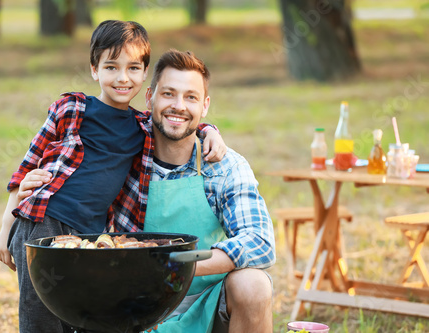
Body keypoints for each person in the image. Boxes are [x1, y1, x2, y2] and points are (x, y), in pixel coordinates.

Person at [19, 49, 275, 332]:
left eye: (191, 97)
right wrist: (30, 192)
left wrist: (178, 266)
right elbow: (66, 178)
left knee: (253, 285)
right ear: (149, 97)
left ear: (204, 106)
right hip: (133, 304)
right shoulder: (122, 152)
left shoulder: (224, 165)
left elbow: (259, 242)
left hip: (206, 303)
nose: (178, 106)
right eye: (168, 94)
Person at [0, 21, 225, 333]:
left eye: (132, 68)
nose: (122, 77)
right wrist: (5, 227)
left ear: (145, 74)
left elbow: (178, 120)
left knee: (88, 309)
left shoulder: (141, 127)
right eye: (111, 67)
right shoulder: (71, 108)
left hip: (93, 234)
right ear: (94, 69)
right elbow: (26, 167)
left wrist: (211, 131)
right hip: (43, 221)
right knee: (42, 311)